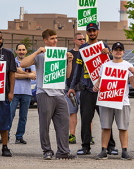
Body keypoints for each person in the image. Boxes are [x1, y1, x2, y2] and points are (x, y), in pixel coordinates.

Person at [20, 29, 76, 160]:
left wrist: (70, 61)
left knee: (63, 123)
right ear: (45, 40)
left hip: (59, 94)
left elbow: (67, 75)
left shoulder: (62, 54)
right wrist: (37, 51)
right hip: (44, 93)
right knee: (44, 124)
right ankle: (47, 150)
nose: (55, 40)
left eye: (56, 38)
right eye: (52, 38)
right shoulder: (40, 55)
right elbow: (23, 64)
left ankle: (63, 151)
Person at [67, 23, 117, 156]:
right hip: (86, 90)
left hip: (102, 90)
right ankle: (85, 146)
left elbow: (113, 65)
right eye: (90, 31)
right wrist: (72, 87)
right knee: (85, 119)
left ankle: (110, 146)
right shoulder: (83, 48)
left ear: (98, 32)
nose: (92, 33)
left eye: (94, 30)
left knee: (106, 119)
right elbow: (77, 70)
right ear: (87, 33)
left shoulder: (104, 46)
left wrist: (110, 54)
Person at [93, 42, 134, 160]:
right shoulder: (105, 65)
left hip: (122, 101)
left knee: (123, 127)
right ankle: (103, 150)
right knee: (106, 126)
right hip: (107, 100)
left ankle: (124, 151)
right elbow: (99, 81)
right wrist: (96, 86)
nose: (118, 51)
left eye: (120, 50)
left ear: (123, 52)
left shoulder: (128, 66)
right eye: (116, 49)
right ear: (111, 51)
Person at [8, 43, 36, 144]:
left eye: (23, 50)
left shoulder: (30, 62)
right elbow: (13, 75)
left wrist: (20, 72)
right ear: (16, 51)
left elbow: (34, 75)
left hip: (26, 93)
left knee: (23, 117)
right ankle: (5, 136)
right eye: (19, 50)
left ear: (26, 51)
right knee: (10, 115)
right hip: (14, 92)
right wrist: (26, 74)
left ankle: (19, 137)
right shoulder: (12, 61)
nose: (21, 52)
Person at [65, 32, 85, 144]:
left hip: (84, 88)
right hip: (71, 88)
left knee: (87, 113)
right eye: (79, 39)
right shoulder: (69, 54)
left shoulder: (86, 53)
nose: (82, 41)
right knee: (72, 113)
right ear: (74, 40)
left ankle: (89, 135)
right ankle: (72, 135)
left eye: (83, 39)